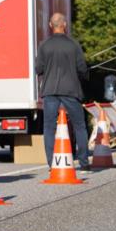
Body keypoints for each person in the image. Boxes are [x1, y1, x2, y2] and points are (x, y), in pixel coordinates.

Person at [35, 12, 90, 171]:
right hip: (71, 90)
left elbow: (38, 69)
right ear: (64, 25)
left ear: (50, 25)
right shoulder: (74, 45)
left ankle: (52, 163)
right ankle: (84, 162)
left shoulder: (44, 45)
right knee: (79, 125)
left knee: (49, 127)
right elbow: (82, 69)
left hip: (50, 90)